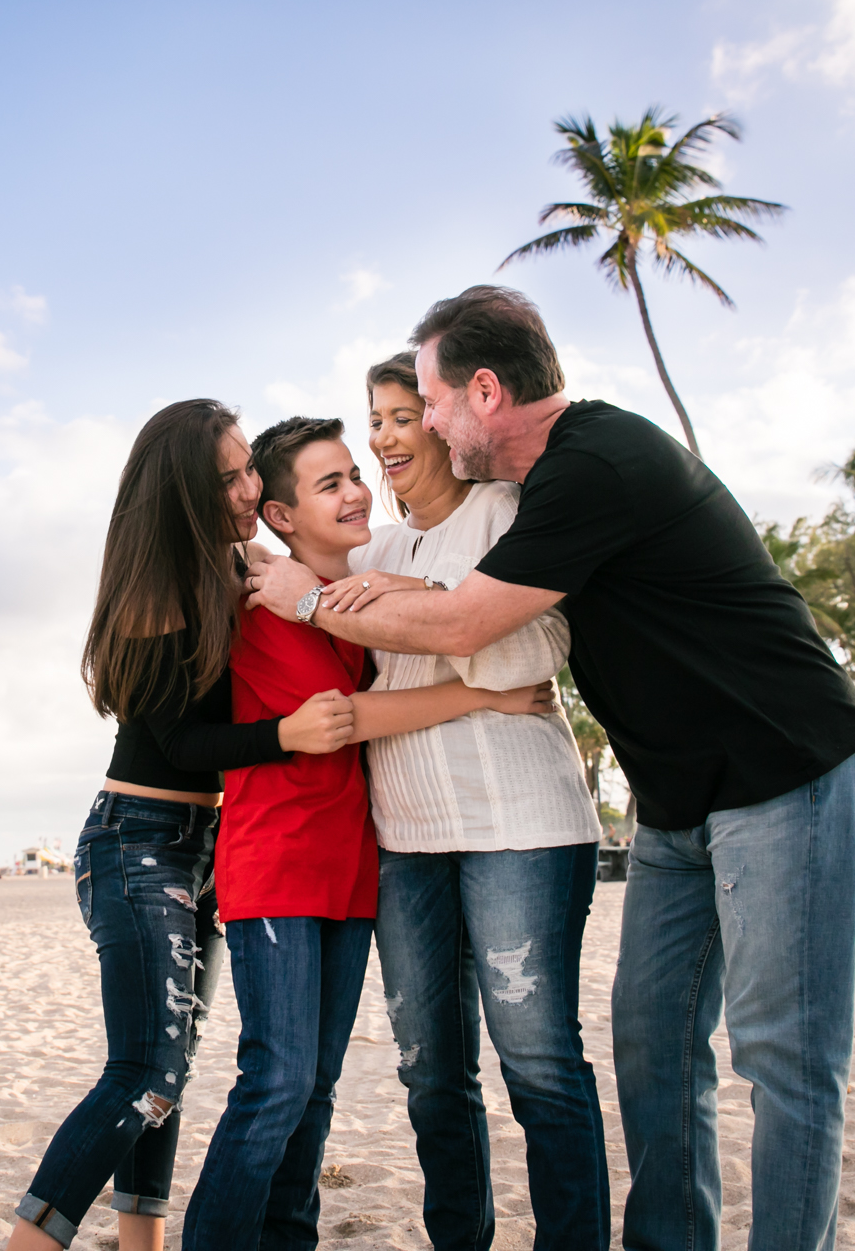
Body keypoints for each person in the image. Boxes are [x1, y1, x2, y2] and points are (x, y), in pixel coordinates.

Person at [247, 287, 855, 1251]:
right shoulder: (545, 487)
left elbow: (472, 626)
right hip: (678, 804)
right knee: (652, 1047)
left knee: (783, 1055)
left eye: (426, 400)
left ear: (485, 393)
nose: (408, 426)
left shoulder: (596, 463)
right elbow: (454, 599)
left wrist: (310, 600)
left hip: (787, 770)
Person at [182, 417, 554, 1251]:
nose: (356, 492)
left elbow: (447, 594)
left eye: (356, 475)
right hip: (274, 864)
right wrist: (487, 696)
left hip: (352, 868)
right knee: (275, 1081)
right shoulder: (249, 599)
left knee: (315, 1089)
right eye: (330, 484)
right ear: (280, 515)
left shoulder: (349, 601)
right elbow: (342, 720)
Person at [8, 400, 356, 1251]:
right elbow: (182, 738)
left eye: (248, 470)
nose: (248, 488)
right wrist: (287, 735)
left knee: (172, 1075)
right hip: (137, 843)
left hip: (203, 849)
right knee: (144, 1075)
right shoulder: (159, 586)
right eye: (228, 478)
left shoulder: (236, 566)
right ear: (183, 493)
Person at [332, 352, 610, 1250]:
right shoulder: (368, 552)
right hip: (405, 837)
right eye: (375, 419)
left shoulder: (505, 514)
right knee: (429, 1072)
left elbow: (538, 649)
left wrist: (423, 602)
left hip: (520, 827)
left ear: (448, 422)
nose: (385, 437)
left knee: (537, 1065)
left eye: (404, 415)